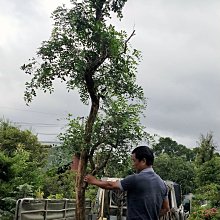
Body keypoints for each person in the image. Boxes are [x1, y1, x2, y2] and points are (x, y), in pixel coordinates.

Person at [84, 146, 170, 220]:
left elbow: (111, 185)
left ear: (143, 161)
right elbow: (166, 208)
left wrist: (94, 181)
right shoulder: (162, 184)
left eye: (134, 161)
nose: (133, 164)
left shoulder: (136, 179)